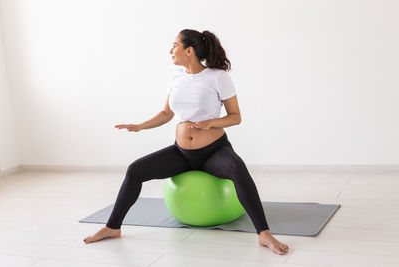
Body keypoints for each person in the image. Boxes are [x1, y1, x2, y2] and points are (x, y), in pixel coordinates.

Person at [83, 29, 289, 255]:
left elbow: (235, 117)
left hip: (214, 151)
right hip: (181, 153)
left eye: (174, 45)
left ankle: (264, 234)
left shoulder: (218, 77)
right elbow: (166, 113)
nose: (171, 50)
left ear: (188, 50)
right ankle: (112, 227)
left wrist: (211, 123)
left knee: (238, 171)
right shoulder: (176, 77)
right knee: (135, 170)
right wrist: (139, 126)